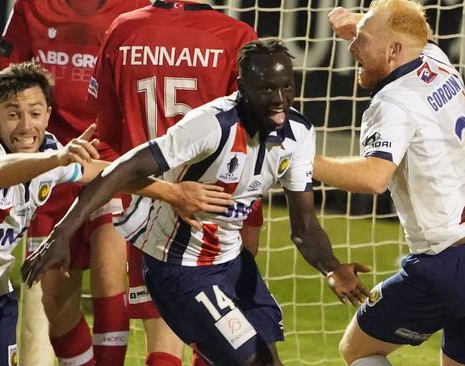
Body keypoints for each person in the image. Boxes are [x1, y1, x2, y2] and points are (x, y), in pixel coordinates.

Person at [23, 39, 371, 366]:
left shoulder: (299, 134)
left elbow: (305, 226)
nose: (279, 99)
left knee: (267, 360)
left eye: (286, 87)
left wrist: (332, 267)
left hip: (231, 264)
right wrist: (62, 233)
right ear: (241, 86)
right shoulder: (211, 125)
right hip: (178, 269)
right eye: (267, 89)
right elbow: (117, 171)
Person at [0, 62, 230, 366]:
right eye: (13, 114)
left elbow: (103, 172)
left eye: (35, 113)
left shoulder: (51, 151)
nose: (26, 126)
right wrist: (57, 161)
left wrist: (171, 192)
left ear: (48, 113)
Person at [315, 2, 465, 365]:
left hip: (444, 268)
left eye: (362, 41)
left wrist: (306, 162)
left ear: (393, 51)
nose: (354, 48)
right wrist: (358, 24)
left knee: (357, 350)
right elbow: (418, 34)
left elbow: (374, 177)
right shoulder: (436, 61)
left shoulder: (391, 104)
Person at [87, 1, 260, 364]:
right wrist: (251, 218)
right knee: (220, 336)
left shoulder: (124, 29)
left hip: (149, 207)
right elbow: (253, 139)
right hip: (217, 205)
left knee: (162, 344)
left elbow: (107, 135)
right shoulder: (236, 37)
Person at [0, 1, 149, 364]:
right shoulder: (32, 6)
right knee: (55, 299)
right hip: (52, 165)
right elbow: (9, 80)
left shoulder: (135, 7)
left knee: (110, 279)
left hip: (108, 159)